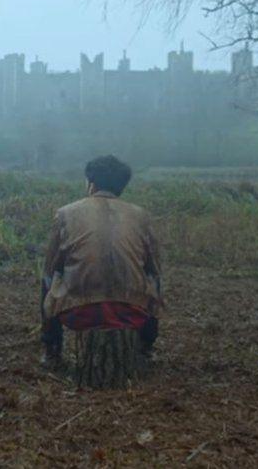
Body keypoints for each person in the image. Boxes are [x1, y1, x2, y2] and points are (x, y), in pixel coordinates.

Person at [41, 155, 163, 366]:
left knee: (48, 278)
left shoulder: (65, 213)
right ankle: (146, 348)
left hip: (78, 313)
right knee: (155, 279)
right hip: (133, 312)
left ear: (91, 184)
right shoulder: (141, 215)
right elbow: (154, 267)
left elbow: (51, 267)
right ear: (121, 187)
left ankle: (52, 351)